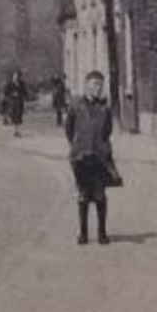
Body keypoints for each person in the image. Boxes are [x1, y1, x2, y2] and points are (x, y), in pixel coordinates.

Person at [64, 70, 116, 245]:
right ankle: (83, 233)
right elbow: (69, 129)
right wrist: (77, 145)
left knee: (100, 194)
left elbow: (107, 131)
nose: (98, 88)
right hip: (81, 156)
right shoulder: (76, 106)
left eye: (100, 85)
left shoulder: (105, 108)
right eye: (94, 84)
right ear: (86, 85)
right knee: (84, 194)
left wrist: (102, 147)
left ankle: (102, 233)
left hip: (100, 156)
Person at [1, 69, 29, 136]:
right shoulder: (9, 84)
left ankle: (16, 131)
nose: (16, 77)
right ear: (12, 76)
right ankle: (7, 119)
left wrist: (20, 94)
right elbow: (5, 93)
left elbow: (25, 93)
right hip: (11, 102)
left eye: (17, 76)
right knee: (12, 115)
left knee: (18, 117)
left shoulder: (22, 84)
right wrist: (12, 94)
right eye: (15, 76)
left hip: (19, 102)